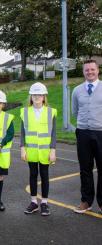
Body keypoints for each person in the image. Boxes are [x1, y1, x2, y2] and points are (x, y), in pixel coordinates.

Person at [20, 82, 57, 216]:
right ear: (31, 96)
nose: (37, 97)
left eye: (39, 94)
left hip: (45, 151)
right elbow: (23, 132)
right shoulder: (25, 112)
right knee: (33, 175)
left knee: (45, 176)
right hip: (31, 150)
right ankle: (34, 202)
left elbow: (53, 133)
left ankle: (45, 203)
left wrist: (53, 150)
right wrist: (22, 148)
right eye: (34, 94)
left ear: (44, 97)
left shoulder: (50, 112)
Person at [72, 59, 102, 214]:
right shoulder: (77, 90)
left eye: (92, 69)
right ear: (83, 72)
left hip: (101, 132)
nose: (90, 72)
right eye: (86, 70)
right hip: (83, 132)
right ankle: (86, 201)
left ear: (98, 70)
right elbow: (75, 111)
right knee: (85, 168)